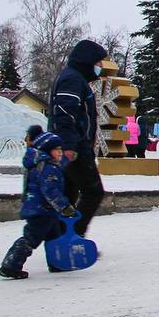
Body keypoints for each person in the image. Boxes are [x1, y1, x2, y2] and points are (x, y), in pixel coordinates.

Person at [50, 39, 107, 238]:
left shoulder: (76, 79)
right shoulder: (73, 80)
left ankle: (60, 240)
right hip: (74, 149)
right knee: (93, 191)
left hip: (72, 146)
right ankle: (73, 236)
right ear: (87, 60)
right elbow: (65, 113)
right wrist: (69, 145)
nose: (100, 66)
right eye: (98, 62)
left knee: (68, 196)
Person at [0, 132, 75, 279]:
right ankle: (10, 265)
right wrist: (64, 206)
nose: (60, 153)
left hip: (45, 210)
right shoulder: (48, 168)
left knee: (55, 237)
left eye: (61, 149)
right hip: (41, 211)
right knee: (31, 238)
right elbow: (50, 190)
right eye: (56, 150)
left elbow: (58, 168)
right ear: (47, 151)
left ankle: (56, 263)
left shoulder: (45, 165)